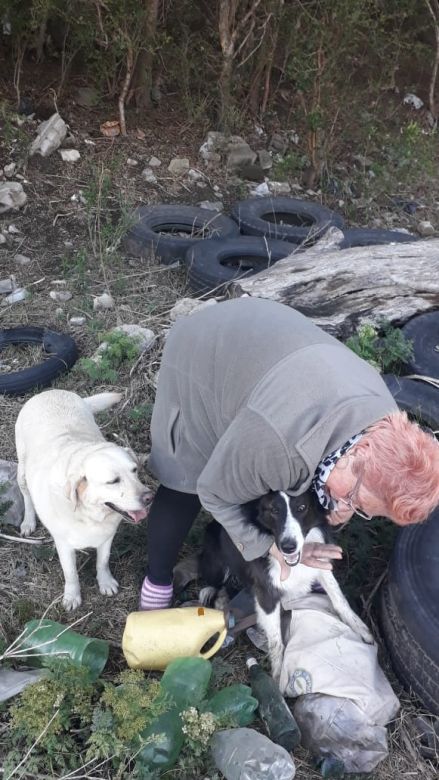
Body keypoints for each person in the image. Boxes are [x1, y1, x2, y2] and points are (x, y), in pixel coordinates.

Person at [139, 298, 439, 610]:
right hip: (206, 349)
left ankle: (262, 578)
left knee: (271, 476)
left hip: (274, 345)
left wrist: (334, 509)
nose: (346, 510)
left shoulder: (386, 421)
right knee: (186, 474)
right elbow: (214, 491)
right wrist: (267, 547)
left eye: (364, 510)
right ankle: (157, 582)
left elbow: (327, 482)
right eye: (354, 501)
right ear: (357, 453)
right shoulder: (277, 442)